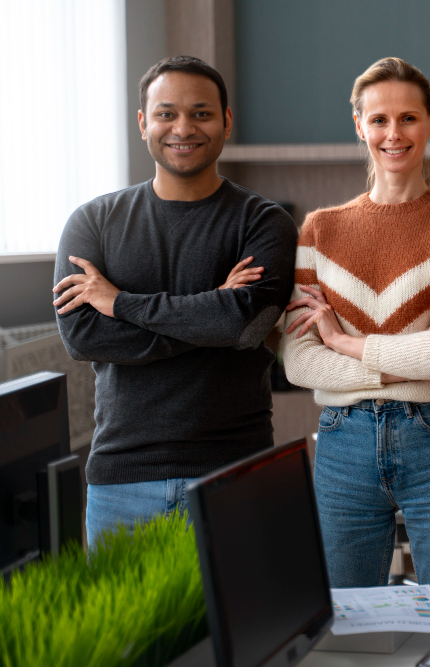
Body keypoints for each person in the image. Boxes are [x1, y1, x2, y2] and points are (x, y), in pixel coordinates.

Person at [53, 56, 298, 547]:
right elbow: (84, 338)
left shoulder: (264, 222)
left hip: (235, 471)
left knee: (248, 625)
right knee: (133, 629)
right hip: (122, 479)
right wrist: (212, 312)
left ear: (226, 121)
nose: (183, 127)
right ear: (143, 122)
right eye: (166, 113)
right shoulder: (92, 223)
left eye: (201, 113)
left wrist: (120, 302)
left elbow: (245, 327)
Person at [281, 57, 430, 604]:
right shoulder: (319, 230)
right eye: (378, 120)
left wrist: (347, 342)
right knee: (346, 621)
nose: (393, 134)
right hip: (342, 442)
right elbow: (299, 361)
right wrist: (409, 355)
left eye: (408, 118)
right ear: (359, 125)